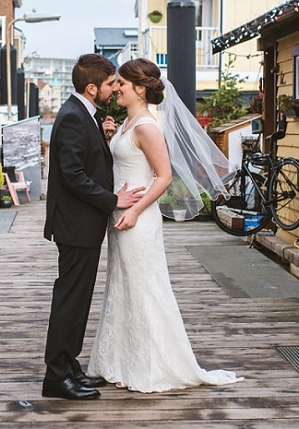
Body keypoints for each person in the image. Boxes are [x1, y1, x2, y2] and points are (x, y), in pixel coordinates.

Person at [88, 57, 243, 392]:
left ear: (140, 89)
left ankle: (149, 366)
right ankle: (118, 362)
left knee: (144, 287)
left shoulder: (146, 126)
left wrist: (134, 211)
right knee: (122, 286)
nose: (117, 88)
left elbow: (164, 176)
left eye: (123, 84)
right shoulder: (129, 123)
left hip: (138, 220)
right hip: (121, 216)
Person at [42, 53, 144, 400]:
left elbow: (84, 159)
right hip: (74, 224)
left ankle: (70, 366)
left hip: (82, 223)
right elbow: (72, 175)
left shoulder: (83, 115)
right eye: (110, 84)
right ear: (91, 88)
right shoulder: (72, 117)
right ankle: (56, 376)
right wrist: (112, 200)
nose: (115, 88)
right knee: (70, 299)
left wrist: (104, 134)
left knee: (79, 298)